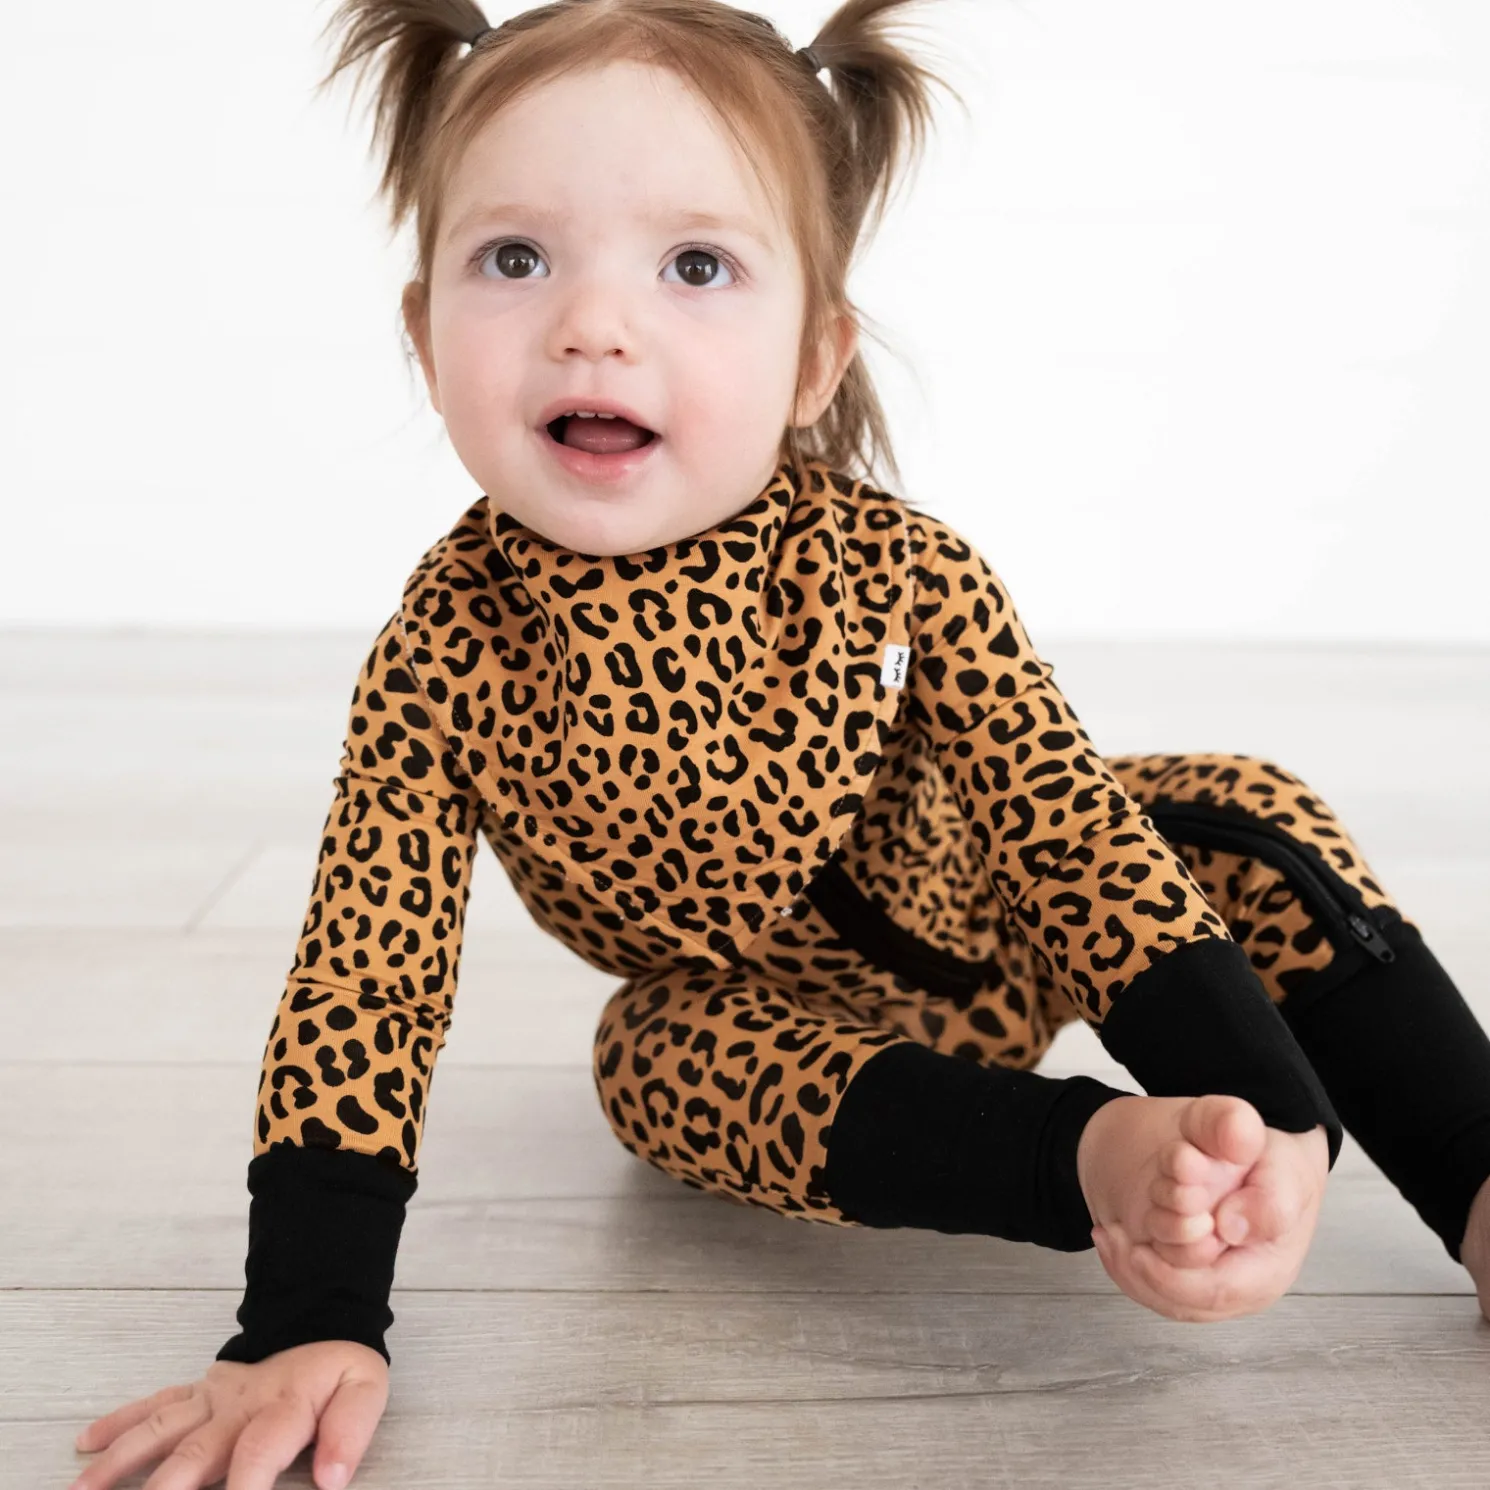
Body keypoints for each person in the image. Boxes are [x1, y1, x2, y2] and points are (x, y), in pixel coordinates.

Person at [68, 2, 1490, 1487]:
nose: (592, 323)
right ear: (423, 337)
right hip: (774, 1034)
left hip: (1014, 911)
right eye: (515, 259)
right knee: (647, 1061)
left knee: (1236, 808)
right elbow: (369, 968)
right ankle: (1089, 1159)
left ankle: (1473, 1174)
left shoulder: (896, 569)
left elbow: (1067, 835)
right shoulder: (446, 652)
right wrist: (307, 1313)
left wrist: (1265, 1111)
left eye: (694, 266)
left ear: (815, 357)